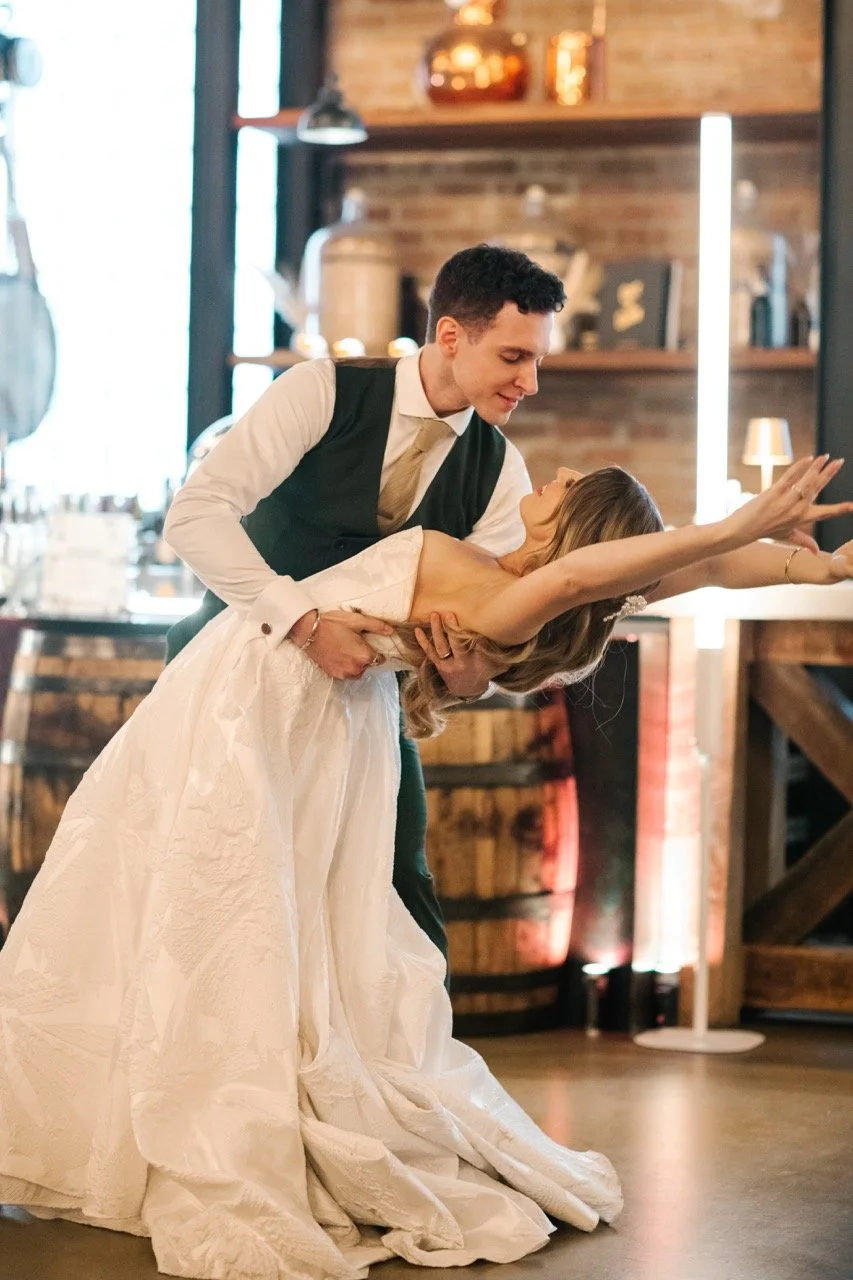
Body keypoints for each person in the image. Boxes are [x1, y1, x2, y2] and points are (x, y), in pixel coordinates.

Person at [0, 449, 850, 1280]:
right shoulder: (499, 574)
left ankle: (201, 1093)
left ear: (579, 535)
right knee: (175, 885)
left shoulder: (514, 597)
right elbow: (694, 576)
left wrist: (735, 522)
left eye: (567, 487)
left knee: (230, 907)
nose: (547, 476)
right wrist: (806, 569)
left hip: (265, 707)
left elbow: (582, 580)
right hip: (279, 699)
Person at [162, 243, 567, 964]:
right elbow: (194, 515)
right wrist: (304, 623)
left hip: (364, 701)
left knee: (398, 877)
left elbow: (482, 633)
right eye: (513, 357)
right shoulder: (321, 390)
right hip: (228, 668)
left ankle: (396, 1065)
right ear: (450, 335)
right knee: (221, 878)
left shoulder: (498, 468)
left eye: (537, 360)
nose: (530, 382)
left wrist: (466, 675)